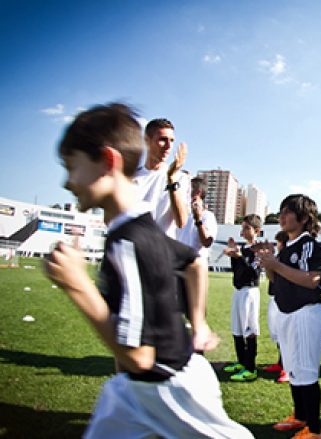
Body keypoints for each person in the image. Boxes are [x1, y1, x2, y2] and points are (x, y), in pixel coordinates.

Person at [47, 103, 251, 438]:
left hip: (171, 388)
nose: (68, 182)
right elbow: (194, 262)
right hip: (133, 389)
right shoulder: (137, 226)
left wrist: (78, 286)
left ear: (108, 163)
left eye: (72, 167)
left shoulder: (130, 242)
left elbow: (139, 356)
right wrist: (197, 326)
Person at [258, 194, 321, 439]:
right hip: (286, 313)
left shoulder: (309, 245)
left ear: (304, 217)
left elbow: (311, 280)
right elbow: (275, 280)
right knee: (294, 370)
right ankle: (300, 417)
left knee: (306, 373)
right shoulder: (287, 247)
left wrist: (275, 265)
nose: (282, 217)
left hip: (304, 315)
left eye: (288, 211)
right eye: (281, 211)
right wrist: (269, 263)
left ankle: (315, 430)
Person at [222, 214, 264, 382]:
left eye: (247, 228)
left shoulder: (258, 250)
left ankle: (251, 368)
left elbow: (253, 273)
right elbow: (237, 271)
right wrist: (234, 255)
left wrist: (240, 257)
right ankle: (241, 362)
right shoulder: (243, 248)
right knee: (237, 328)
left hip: (250, 292)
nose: (244, 231)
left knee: (249, 330)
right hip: (238, 291)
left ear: (256, 230)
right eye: (243, 228)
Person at [133, 118, 190, 238]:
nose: (169, 146)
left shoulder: (179, 178)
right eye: (163, 140)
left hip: (162, 252)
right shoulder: (132, 177)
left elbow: (181, 222)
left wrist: (171, 178)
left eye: (172, 140)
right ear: (147, 141)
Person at [262, 230, 290, 383]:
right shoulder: (278, 257)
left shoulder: (287, 258)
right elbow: (270, 278)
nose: (278, 245)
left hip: (283, 299)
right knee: (277, 334)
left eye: (279, 242)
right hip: (274, 297)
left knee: (285, 334)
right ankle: (281, 363)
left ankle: (287, 367)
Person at [176, 176, 217, 261]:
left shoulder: (207, 216)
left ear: (198, 192)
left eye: (189, 189)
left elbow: (206, 242)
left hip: (194, 266)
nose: (186, 191)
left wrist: (198, 220)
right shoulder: (181, 215)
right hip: (177, 263)